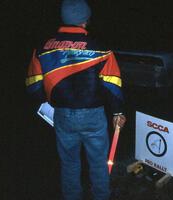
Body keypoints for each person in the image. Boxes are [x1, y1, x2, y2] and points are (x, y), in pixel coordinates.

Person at [25, 0, 126, 199]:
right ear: (86, 20)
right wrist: (118, 112)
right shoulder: (100, 48)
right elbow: (113, 85)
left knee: (69, 163)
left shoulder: (42, 48)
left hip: (62, 115)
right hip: (93, 116)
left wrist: (45, 102)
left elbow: (33, 84)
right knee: (98, 163)